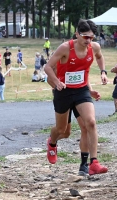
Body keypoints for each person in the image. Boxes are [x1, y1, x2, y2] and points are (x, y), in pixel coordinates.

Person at [44, 19, 108, 175]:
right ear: (77, 34)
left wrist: (103, 72)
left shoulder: (94, 47)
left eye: (92, 38)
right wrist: (57, 81)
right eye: (85, 37)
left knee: (90, 123)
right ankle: (52, 143)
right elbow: (47, 67)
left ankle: (93, 163)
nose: (89, 41)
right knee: (63, 131)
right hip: (64, 91)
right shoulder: (66, 48)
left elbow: (99, 57)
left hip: (81, 90)